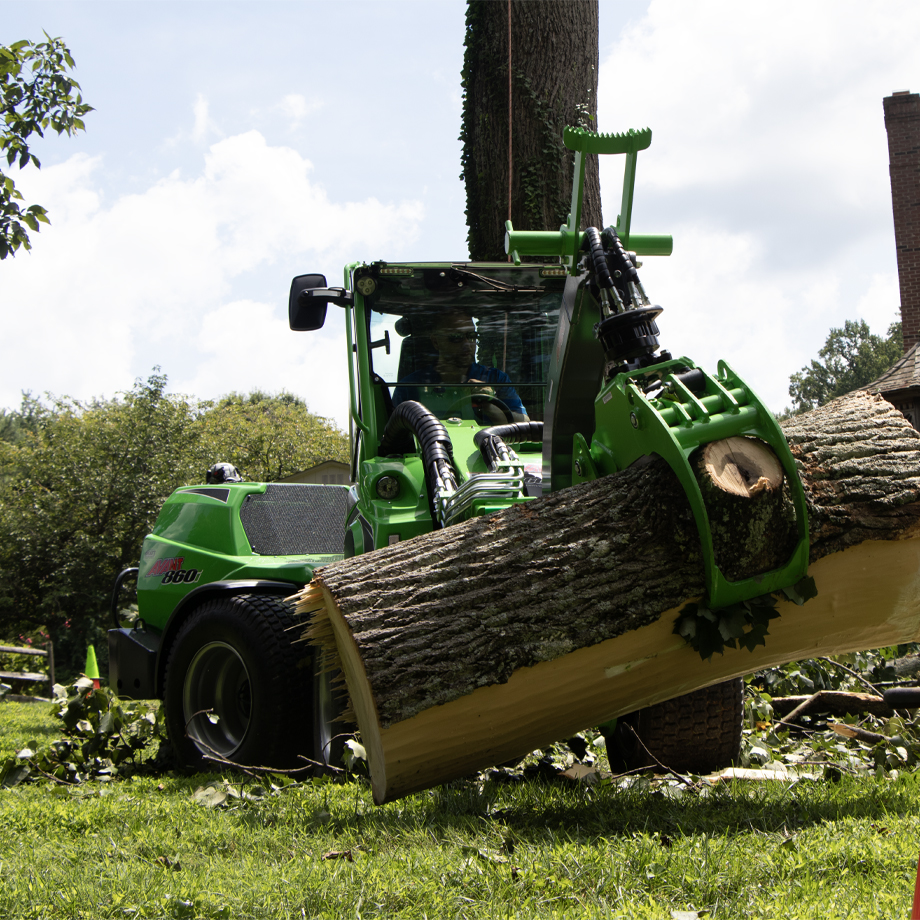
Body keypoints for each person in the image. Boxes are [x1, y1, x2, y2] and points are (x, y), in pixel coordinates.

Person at [392, 309, 528, 423]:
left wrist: (490, 405)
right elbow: (392, 434)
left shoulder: (496, 379)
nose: (467, 344)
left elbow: (525, 424)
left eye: (471, 336)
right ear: (436, 342)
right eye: (456, 337)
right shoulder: (410, 388)